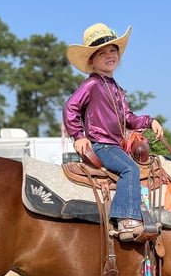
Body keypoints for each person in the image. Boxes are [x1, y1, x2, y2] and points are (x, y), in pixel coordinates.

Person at [63, 23, 164, 242]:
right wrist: (78, 135)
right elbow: (70, 107)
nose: (110, 55)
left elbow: (128, 117)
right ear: (91, 61)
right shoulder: (91, 84)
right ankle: (125, 219)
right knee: (130, 169)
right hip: (102, 144)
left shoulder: (116, 88)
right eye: (102, 53)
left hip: (115, 146)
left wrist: (150, 121)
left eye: (113, 51)